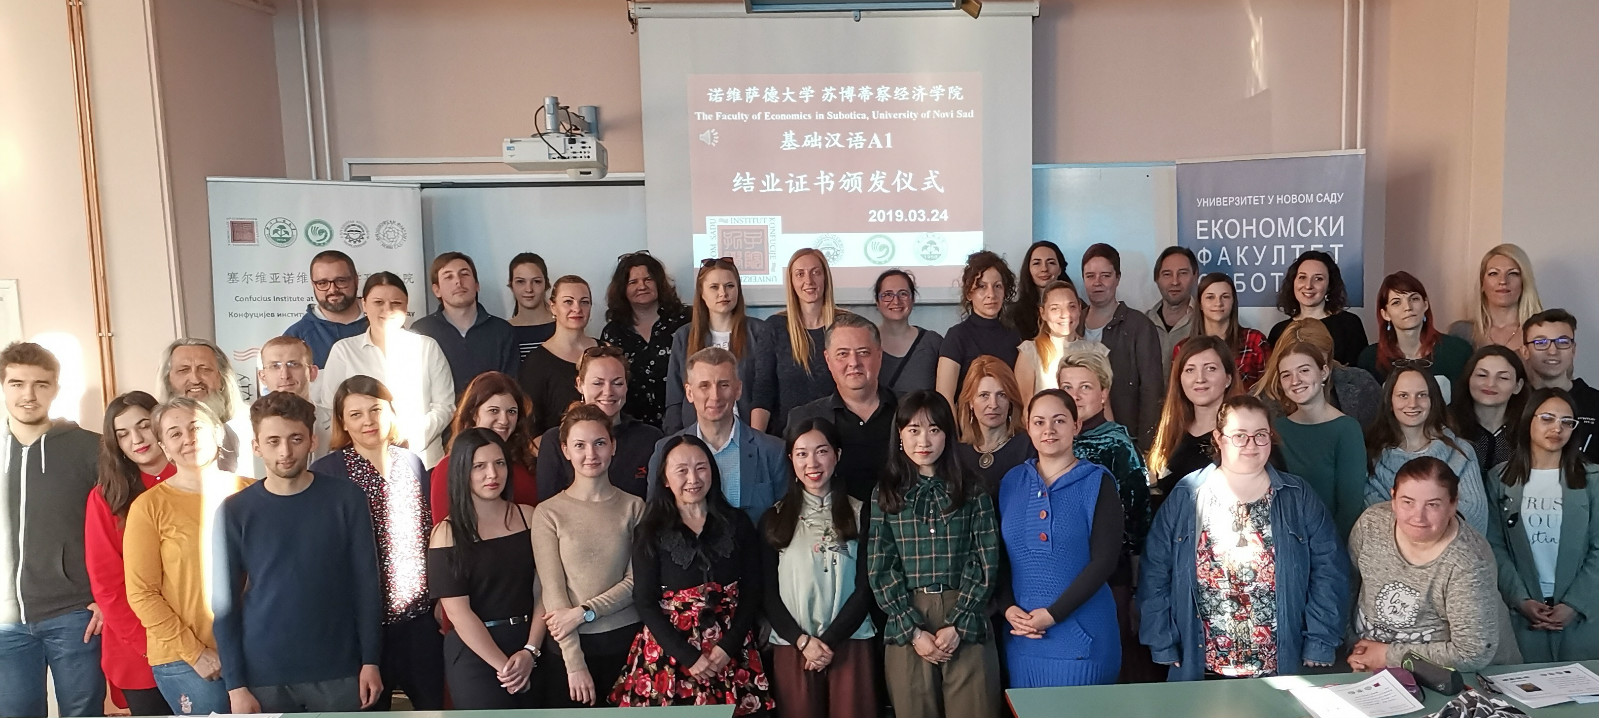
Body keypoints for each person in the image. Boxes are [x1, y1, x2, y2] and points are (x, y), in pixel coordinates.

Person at [1139, 394, 1348, 681]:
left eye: (1260, 435)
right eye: (1239, 435)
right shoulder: (1187, 495)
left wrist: (1320, 640)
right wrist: (1162, 640)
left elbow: (1329, 569)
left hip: (1281, 666)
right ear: (1219, 438)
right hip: (1201, 666)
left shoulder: (1297, 496)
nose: (1251, 444)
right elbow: (1155, 571)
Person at [213, 392, 383, 713]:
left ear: (312, 441)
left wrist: (371, 660)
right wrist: (236, 685)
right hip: (264, 674)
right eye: (273, 441)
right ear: (256, 446)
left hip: (339, 669)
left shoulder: (346, 499)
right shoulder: (234, 511)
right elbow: (224, 605)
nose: (285, 452)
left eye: (295, 439)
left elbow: (366, 585)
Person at [612, 435, 774, 714]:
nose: (693, 479)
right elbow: (645, 601)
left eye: (701, 468)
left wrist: (727, 647)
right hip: (672, 654)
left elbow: (752, 591)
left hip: (731, 650)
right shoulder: (649, 530)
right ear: (665, 479)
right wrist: (689, 657)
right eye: (682, 470)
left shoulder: (738, 523)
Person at [309, 376, 444, 711]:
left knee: (434, 706)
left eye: (375, 410)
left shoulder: (411, 463)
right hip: (362, 629)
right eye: (355, 414)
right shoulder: (328, 472)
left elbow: (430, 535)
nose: (368, 421)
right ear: (342, 422)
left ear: (391, 412)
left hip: (418, 619)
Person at [868, 390, 1001, 717]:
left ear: (947, 434)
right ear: (900, 435)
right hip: (909, 619)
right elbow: (880, 565)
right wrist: (913, 630)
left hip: (966, 615)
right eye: (913, 430)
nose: (923, 440)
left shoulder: (972, 489)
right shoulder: (886, 493)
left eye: (934, 429)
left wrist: (959, 623)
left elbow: (985, 558)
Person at [125, 398, 253, 715]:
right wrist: (195, 653)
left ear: (217, 432)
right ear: (164, 447)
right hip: (187, 659)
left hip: (255, 650)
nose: (188, 439)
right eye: (175, 433)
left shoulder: (253, 493)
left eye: (196, 427)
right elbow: (142, 593)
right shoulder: (149, 507)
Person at [0, 342, 105, 718]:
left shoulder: (91, 449)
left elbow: (119, 528)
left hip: (75, 614)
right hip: (5, 622)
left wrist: (105, 599)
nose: (28, 395)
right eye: (17, 383)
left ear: (56, 388)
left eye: (40, 384)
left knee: (83, 713)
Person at [999, 389, 1123, 686]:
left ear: (1076, 426)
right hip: (1023, 640)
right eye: (1039, 422)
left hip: (1084, 639)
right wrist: (1007, 606)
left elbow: (1105, 561)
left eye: (1059, 420)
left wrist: (1054, 614)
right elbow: (998, 555)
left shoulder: (1097, 482)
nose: (1049, 430)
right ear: (1027, 427)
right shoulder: (1011, 482)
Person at [759, 418, 879, 718]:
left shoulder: (861, 513)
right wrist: (803, 641)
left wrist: (828, 641)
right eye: (802, 453)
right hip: (794, 644)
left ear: (837, 455)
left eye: (822, 451)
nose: (812, 463)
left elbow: (866, 587)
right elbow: (767, 592)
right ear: (791, 459)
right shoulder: (774, 518)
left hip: (850, 640)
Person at [1347, 457, 1510, 673]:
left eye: (1433, 505)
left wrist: (1386, 656)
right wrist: (1355, 649)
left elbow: (1473, 653)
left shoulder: (1469, 562)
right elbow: (1345, 586)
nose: (1418, 517)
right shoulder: (1371, 525)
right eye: (1407, 502)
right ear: (1393, 498)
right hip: (1364, 664)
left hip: (1450, 678)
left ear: (1453, 504)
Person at [532, 404, 645, 708]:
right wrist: (574, 664)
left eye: (599, 443)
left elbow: (636, 581)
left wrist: (585, 611)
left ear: (613, 446)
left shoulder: (635, 507)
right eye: (580, 445)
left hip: (628, 643)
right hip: (569, 649)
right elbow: (553, 591)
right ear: (565, 450)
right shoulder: (548, 513)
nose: (591, 454)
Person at [426, 428, 547, 709]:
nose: (492, 474)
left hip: (532, 643)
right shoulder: (446, 533)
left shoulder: (529, 517)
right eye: (479, 466)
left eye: (499, 463)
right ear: (462, 471)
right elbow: (458, 612)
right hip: (475, 653)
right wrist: (506, 668)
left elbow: (544, 589)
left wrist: (531, 650)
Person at [1058, 348, 1153, 680]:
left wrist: (1136, 584)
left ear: (1103, 393)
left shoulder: (1116, 443)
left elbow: (1138, 518)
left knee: (1108, 664)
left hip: (1110, 574)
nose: (1075, 396)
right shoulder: (1051, 438)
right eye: (1067, 387)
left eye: (1085, 387)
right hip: (1062, 572)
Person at [1487, 389, 1599, 662]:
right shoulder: (1500, 478)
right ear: (1529, 420)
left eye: (1567, 422)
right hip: (1521, 614)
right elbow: (1493, 545)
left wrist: (1573, 604)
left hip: (1581, 616)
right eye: (1547, 418)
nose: (1557, 428)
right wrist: (1520, 599)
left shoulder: (1592, 479)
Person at [85, 392, 174, 716]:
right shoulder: (106, 497)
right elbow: (107, 584)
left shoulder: (195, 480)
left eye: (143, 426)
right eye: (123, 434)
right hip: (140, 647)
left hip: (201, 637)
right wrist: (150, 643)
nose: (136, 439)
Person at [317, 272, 455, 467]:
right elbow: (332, 410)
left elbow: (444, 406)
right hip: (361, 463)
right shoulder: (344, 351)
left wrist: (406, 440)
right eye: (378, 302)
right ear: (364, 305)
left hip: (422, 460)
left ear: (406, 306)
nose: (388, 310)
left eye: (396, 303)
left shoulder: (427, 347)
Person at [648, 347, 788, 524]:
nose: (715, 396)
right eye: (704, 386)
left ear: (738, 389)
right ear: (689, 393)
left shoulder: (773, 451)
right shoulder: (665, 451)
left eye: (724, 385)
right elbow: (655, 519)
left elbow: (785, 522)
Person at [1364, 368, 1489, 536]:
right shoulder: (1370, 455)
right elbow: (1374, 519)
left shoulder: (1461, 452)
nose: (1413, 403)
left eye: (1422, 395)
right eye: (1403, 395)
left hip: (1453, 549)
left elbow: (1475, 515)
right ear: (1390, 403)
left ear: (1433, 401)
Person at [787, 313, 899, 501]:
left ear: (879, 355)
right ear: (828, 359)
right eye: (842, 354)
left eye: (863, 352)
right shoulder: (804, 418)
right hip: (833, 518)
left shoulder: (909, 411)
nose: (854, 363)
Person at [664, 257, 776, 434]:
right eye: (714, 287)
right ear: (701, 293)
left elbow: (765, 390)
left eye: (730, 286)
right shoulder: (684, 336)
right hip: (695, 436)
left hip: (748, 433)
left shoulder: (760, 331)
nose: (723, 293)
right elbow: (674, 397)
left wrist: (757, 438)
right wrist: (676, 440)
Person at [535, 346, 663, 500]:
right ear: (579, 384)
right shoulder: (555, 440)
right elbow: (549, 505)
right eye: (597, 383)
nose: (608, 392)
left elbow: (659, 504)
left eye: (617, 383)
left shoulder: (650, 439)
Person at [1269, 341, 1369, 537]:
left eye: (1304, 370)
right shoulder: (1277, 429)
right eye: (1286, 375)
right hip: (1285, 539)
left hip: (1331, 542)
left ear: (1323, 372)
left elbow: (1350, 507)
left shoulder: (1346, 429)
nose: (1295, 380)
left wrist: (1326, 548)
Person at [1080, 243, 1165, 448]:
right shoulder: (1072, 323)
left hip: (1127, 440)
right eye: (1090, 276)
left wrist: (1146, 447)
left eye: (1105, 275)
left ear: (1117, 278)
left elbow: (1152, 391)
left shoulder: (1139, 326)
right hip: (1076, 439)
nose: (1097, 282)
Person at [429, 372, 539, 526]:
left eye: (511, 412)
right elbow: (444, 531)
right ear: (474, 414)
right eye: (494, 410)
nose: (504, 420)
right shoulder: (448, 467)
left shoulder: (526, 462)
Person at [601, 251, 692, 429]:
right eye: (633, 282)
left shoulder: (686, 320)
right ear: (622, 289)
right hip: (632, 427)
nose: (642, 286)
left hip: (682, 421)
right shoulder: (613, 332)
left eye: (648, 279)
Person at [1146, 336, 1242, 504]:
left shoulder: (1244, 437)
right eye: (1190, 370)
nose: (1200, 378)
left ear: (1228, 378)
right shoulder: (1171, 431)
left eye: (1210, 368)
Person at [411, 252, 519, 399]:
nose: (458, 281)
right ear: (436, 290)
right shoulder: (421, 331)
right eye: (449, 277)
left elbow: (510, 388)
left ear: (477, 285)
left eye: (464, 274)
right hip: (440, 414)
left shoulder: (502, 330)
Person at [1357, 271, 1473, 398]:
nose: (1408, 307)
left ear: (1425, 304)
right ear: (1385, 314)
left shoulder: (1458, 351)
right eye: (1396, 302)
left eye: (1414, 299)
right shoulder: (1370, 359)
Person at [767, 248, 842, 436]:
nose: (809, 281)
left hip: (837, 436)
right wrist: (754, 442)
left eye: (816, 272)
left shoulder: (846, 326)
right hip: (787, 438)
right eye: (800, 274)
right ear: (791, 281)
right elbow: (763, 389)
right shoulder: (774, 327)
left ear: (826, 278)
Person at [1258, 317, 1383, 427]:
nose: (1296, 381)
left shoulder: (1361, 384)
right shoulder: (1262, 398)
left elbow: (1379, 438)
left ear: (1327, 360)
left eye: (1305, 369)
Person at [518, 275, 600, 437]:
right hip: (557, 448)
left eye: (584, 302)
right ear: (553, 307)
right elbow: (530, 429)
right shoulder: (536, 363)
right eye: (568, 302)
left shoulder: (605, 351)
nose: (577, 308)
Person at [938, 250, 1021, 408]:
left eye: (997, 286)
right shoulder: (957, 336)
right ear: (969, 294)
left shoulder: (1014, 336)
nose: (991, 294)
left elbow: (1018, 394)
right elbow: (944, 396)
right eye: (982, 286)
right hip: (966, 421)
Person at [1519, 309, 1599, 463]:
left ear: (1573, 350)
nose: (1552, 351)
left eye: (1562, 342)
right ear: (1525, 351)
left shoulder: (1595, 403)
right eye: (1541, 343)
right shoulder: (1513, 401)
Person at [159, 337, 247, 472]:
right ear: (168, 380)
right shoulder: (155, 431)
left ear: (222, 377)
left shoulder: (250, 425)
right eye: (184, 370)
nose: (195, 379)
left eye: (205, 369)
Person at [1267, 250, 1368, 367]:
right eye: (1302, 277)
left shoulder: (1349, 325)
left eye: (1318, 279)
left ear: (1330, 285)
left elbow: (1360, 375)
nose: (1308, 285)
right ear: (1293, 282)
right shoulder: (1278, 331)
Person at [952, 356, 1034, 494]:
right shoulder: (958, 454)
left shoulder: (1028, 447)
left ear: (1010, 401)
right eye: (984, 395)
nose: (993, 404)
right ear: (971, 402)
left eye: (1001, 395)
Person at [1180, 273, 1271, 388]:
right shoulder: (1183, 348)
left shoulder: (1255, 341)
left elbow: (1269, 388)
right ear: (1200, 304)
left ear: (1233, 301)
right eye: (1210, 297)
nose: (1218, 303)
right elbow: (1177, 392)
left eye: (1225, 297)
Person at [1450, 346, 1529, 476]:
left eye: (1503, 378)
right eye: (1482, 375)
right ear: (1468, 379)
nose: (1490, 384)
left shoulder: (1529, 430)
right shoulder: (1447, 426)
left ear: (1518, 386)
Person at [1450, 243, 1544, 352]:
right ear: (1482, 284)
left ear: (1524, 282)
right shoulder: (1462, 332)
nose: (1503, 281)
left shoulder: (1543, 332)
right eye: (1493, 273)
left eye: (1513, 273)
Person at [284, 250, 367, 368]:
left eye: (341, 281)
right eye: (322, 283)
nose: (333, 290)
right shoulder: (296, 337)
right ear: (313, 285)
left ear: (356, 280)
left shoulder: (382, 324)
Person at [1014, 279, 1091, 395]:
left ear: (1080, 308)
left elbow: (1104, 401)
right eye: (1055, 308)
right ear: (1043, 313)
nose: (1065, 314)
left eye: (1071, 306)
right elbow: (1024, 404)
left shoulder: (1096, 351)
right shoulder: (1030, 352)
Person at [875, 269, 944, 397]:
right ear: (877, 302)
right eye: (887, 295)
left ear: (913, 299)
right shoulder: (865, 342)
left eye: (903, 294)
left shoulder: (933, 343)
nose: (896, 301)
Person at [256, 336, 330, 452]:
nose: (285, 375)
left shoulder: (338, 422)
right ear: (262, 376)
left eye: (293, 364)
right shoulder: (245, 428)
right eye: (275, 366)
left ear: (312, 372)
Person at [1147, 246, 1198, 377]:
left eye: (1183, 273)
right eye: (1167, 274)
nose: (1175, 282)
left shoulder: (1206, 321)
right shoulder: (1142, 323)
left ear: (1195, 276)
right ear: (1156, 278)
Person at [1008, 240, 1069, 342]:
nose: (1044, 269)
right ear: (1028, 269)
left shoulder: (1076, 308)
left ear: (1060, 269)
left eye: (1051, 263)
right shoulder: (1013, 314)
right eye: (1036, 263)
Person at [506, 252, 557, 363]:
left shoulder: (562, 326)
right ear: (511, 285)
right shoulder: (503, 330)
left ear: (546, 284)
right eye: (520, 281)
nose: (529, 289)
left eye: (536, 281)